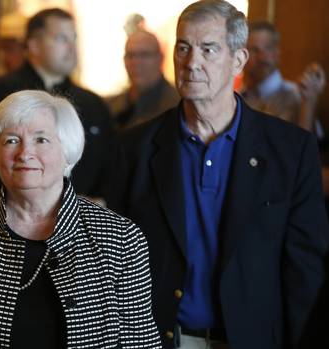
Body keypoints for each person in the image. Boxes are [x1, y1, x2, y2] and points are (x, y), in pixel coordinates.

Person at [106, 1, 329, 348]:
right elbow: (113, 262)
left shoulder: (291, 150)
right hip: (162, 340)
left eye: (208, 49)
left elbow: (304, 270)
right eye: (184, 47)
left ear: (238, 60)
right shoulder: (133, 148)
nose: (192, 62)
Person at [0, 90, 161, 348]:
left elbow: (140, 344)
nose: (24, 153)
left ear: (67, 150)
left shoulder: (120, 239)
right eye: (10, 140)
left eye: (41, 139)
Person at [0, 8, 115, 203]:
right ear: (34, 45)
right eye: (62, 39)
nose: (72, 47)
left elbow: (108, 165)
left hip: (81, 220)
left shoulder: (93, 104)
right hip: (9, 217)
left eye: (74, 39)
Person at [241, 21, 326, 132]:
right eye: (254, 50)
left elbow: (310, 146)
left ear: (278, 52)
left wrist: (309, 102)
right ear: (242, 55)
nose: (262, 57)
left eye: (268, 48)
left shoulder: (299, 96)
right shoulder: (236, 98)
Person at [107, 30, 179, 131]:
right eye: (130, 55)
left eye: (144, 55)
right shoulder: (111, 107)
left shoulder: (178, 107)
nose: (136, 62)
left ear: (160, 58)